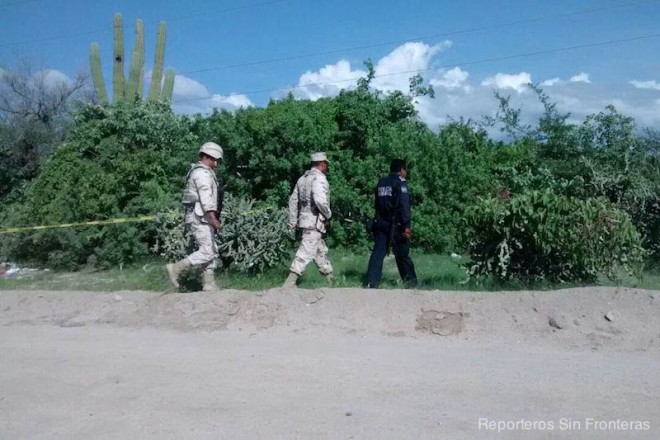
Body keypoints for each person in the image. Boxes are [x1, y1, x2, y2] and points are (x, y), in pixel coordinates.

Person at [166, 142, 224, 292]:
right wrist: (214, 219)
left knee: (211, 249)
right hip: (200, 218)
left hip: (201, 217)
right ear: (206, 156)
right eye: (214, 159)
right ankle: (176, 269)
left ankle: (209, 283)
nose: (216, 163)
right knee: (207, 251)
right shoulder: (202, 174)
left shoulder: (203, 172)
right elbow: (206, 200)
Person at [283, 152, 335, 288]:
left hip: (304, 221)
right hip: (315, 222)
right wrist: (328, 215)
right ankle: (289, 282)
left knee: (319, 251)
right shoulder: (319, 179)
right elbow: (319, 200)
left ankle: (331, 280)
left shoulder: (302, 179)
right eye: (326, 164)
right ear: (322, 164)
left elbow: (293, 201)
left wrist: (293, 221)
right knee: (305, 252)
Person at [365, 158, 418, 288]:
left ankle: (371, 283)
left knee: (378, 253)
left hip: (381, 222)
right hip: (397, 225)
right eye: (405, 170)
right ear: (401, 170)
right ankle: (411, 283)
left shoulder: (382, 182)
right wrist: (407, 226)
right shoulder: (400, 183)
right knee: (402, 255)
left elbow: (377, 204)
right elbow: (404, 206)